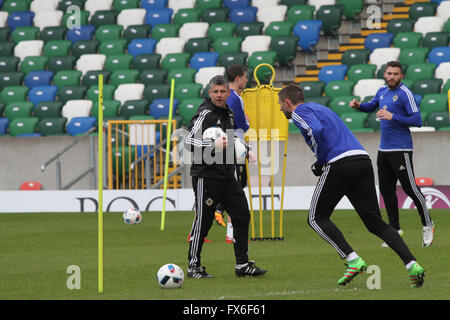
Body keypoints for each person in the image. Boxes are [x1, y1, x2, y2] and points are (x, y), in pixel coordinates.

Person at [278, 83, 426, 288]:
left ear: (288, 102)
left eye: (280, 104)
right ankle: (412, 264)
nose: (279, 109)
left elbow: (317, 130)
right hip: (362, 160)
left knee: (316, 217)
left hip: (339, 163)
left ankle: (353, 260)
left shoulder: (298, 112)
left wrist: (320, 162)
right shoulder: (322, 108)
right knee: (376, 223)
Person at [184, 75, 267, 278]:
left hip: (228, 176)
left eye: (223, 91)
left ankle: (242, 264)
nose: (219, 95)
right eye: (216, 92)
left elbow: (231, 141)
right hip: (206, 176)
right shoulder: (204, 114)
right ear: (210, 93)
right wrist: (212, 145)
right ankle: (193, 266)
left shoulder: (229, 113)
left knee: (241, 216)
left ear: (228, 93)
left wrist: (246, 150)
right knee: (204, 221)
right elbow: (187, 141)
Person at [349, 61, 435, 247]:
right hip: (384, 150)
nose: (392, 77)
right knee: (386, 190)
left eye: (396, 74)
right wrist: (358, 106)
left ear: (401, 76)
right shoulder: (382, 91)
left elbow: (418, 120)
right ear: (385, 74)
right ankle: (395, 230)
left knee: (410, 188)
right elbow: (371, 106)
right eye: (389, 73)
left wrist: (393, 117)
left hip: (401, 149)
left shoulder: (405, 94)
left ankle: (428, 223)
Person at [214, 65, 251, 243]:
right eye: (244, 77)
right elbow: (240, 124)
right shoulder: (234, 98)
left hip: (226, 143)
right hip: (234, 144)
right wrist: (247, 123)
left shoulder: (227, 97)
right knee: (237, 186)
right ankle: (224, 218)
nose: (246, 80)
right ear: (237, 79)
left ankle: (226, 226)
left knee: (232, 184)